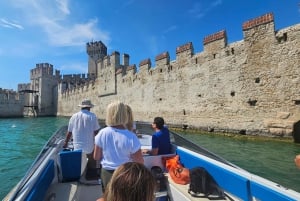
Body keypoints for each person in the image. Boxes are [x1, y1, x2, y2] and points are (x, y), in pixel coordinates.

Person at [94, 100, 144, 192]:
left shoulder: (102, 133)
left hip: (107, 173)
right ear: (124, 115)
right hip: (125, 174)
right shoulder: (131, 137)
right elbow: (140, 162)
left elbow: (96, 156)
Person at [63, 99, 100, 170]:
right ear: (89, 107)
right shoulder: (93, 116)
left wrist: (66, 142)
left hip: (77, 148)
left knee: (79, 165)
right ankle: (91, 174)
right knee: (92, 164)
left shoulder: (73, 116)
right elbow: (96, 133)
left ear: (81, 107)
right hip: (89, 148)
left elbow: (69, 132)